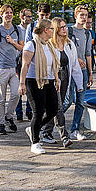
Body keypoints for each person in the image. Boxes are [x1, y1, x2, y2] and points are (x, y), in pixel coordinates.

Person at [18, 18, 61, 155]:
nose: (54, 31)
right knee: (38, 111)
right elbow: (25, 65)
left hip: (49, 80)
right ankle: (35, 142)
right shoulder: (31, 45)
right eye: (52, 29)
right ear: (45, 30)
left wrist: (57, 79)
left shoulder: (50, 45)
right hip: (34, 81)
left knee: (53, 109)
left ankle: (33, 129)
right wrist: (22, 83)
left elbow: (53, 65)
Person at [0, 4, 24, 136]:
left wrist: (12, 42)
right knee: (1, 98)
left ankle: (9, 116)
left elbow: (21, 48)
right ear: (1, 15)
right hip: (0, 69)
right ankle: (1, 124)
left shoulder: (17, 30)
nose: (9, 15)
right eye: (6, 13)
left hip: (13, 68)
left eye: (11, 12)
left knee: (16, 94)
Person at [41, 18, 77, 147]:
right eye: (61, 27)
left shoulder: (69, 44)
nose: (64, 29)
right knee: (58, 107)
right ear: (56, 29)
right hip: (53, 78)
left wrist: (79, 83)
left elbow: (74, 64)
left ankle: (45, 132)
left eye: (65, 26)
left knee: (55, 108)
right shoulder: (49, 44)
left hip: (65, 77)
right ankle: (64, 137)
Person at [65, 5, 95, 140]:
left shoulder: (88, 33)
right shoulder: (68, 31)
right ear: (75, 15)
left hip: (83, 71)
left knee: (80, 102)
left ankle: (75, 129)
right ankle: (48, 123)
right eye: (81, 15)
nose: (84, 18)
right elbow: (64, 49)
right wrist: (76, 59)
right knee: (67, 101)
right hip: (70, 71)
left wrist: (90, 72)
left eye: (86, 15)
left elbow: (88, 54)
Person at [15, 8, 35, 121]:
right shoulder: (17, 29)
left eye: (31, 16)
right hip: (19, 62)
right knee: (19, 87)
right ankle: (18, 112)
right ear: (21, 17)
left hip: (30, 61)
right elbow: (21, 47)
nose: (30, 18)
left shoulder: (33, 28)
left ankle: (29, 110)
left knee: (30, 87)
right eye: (28, 16)